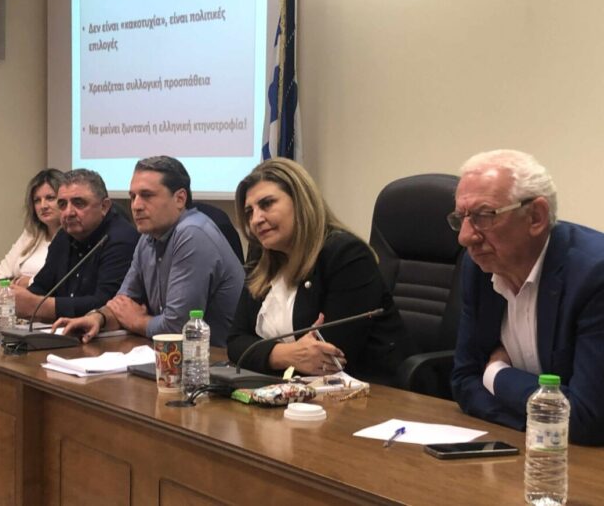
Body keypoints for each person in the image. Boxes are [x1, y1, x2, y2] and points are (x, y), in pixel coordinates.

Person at [450, 149, 604, 445]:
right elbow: (464, 381)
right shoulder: (480, 266)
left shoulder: (594, 275)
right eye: (461, 218)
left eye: (483, 216)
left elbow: (585, 418)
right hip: (530, 448)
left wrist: (495, 373)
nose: (465, 237)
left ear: (536, 217)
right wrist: (538, 420)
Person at [227, 158, 415, 382]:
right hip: (287, 388)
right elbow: (236, 343)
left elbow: (331, 358)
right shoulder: (261, 259)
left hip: (367, 391)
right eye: (249, 212)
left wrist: (267, 355)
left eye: (267, 204)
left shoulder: (345, 255)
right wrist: (289, 354)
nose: (256, 219)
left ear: (300, 201)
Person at [52, 156, 245, 347]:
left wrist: (137, 321)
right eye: (133, 197)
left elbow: (178, 328)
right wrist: (98, 317)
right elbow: (123, 302)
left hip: (216, 358)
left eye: (147, 195)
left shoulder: (192, 233)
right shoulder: (147, 238)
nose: (135, 206)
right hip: (175, 355)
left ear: (179, 199)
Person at [12, 169, 139, 321]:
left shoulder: (122, 239)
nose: (68, 213)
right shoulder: (64, 235)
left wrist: (40, 306)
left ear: (104, 206)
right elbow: (42, 286)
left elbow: (107, 304)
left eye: (79, 203)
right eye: (62, 205)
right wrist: (21, 298)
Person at [0, 168, 65, 294]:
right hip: (16, 304)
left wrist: (29, 282)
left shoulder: (74, 238)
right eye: (37, 200)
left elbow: (64, 287)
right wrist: (17, 290)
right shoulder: (31, 235)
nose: (43, 206)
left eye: (50, 198)